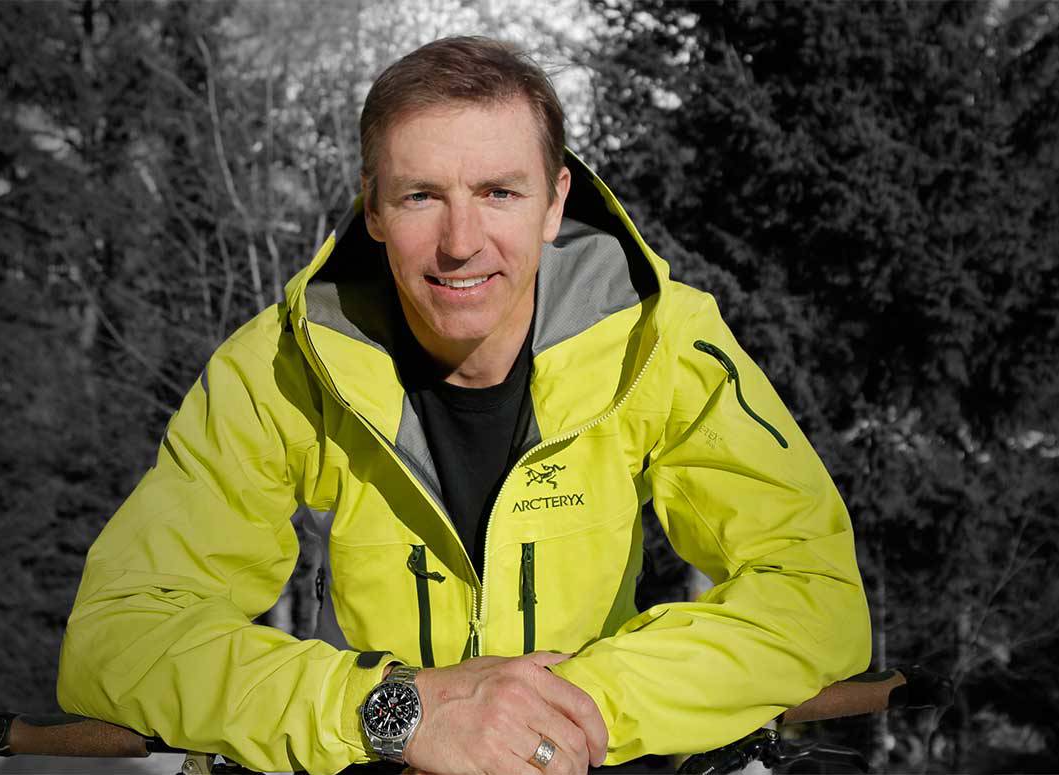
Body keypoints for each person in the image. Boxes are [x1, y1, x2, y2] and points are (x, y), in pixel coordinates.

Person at [55, 36, 870, 775]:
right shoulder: (281, 366)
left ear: (555, 201)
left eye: (499, 192)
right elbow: (119, 636)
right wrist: (397, 711)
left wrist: (565, 710)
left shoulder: (663, 343)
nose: (461, 241)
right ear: (373, 206)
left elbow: (815, 598)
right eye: (421, 196)